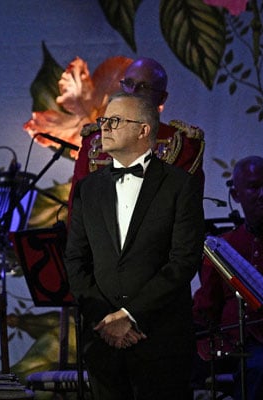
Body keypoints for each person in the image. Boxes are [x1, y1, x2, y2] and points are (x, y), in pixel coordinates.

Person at [64, 92, 205, 399]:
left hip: (160, 340)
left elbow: (184, 260)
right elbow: (75, 259)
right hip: (102, 343)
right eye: (104, 120)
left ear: (143, 130)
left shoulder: (181, 185)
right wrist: (105, 319)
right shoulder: (88, 188)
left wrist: (130, 315)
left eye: (115, 120)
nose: (105, 127)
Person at [193, 156, 263, 399]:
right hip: (227, 342)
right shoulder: (224, 245)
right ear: (237, 194)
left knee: (256, 368)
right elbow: (206, 306)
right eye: (253, 187)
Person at [67, 57, 205, 213]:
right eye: (129, 84)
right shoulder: (94, 141)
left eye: (144, 87)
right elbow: (76, 210)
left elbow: (185, 216)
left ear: (162, 98)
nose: (133, 92)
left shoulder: (182, 145)